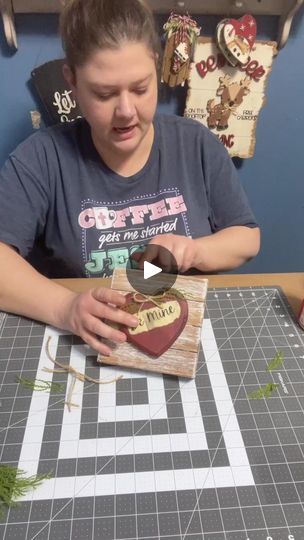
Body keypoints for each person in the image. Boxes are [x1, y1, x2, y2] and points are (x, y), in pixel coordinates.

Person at [0, 0, 260, 356]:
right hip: (90, 345)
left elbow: (247, 239)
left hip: (179, 337)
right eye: (104, 94)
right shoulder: (41, 159)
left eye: (140, 89)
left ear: (156, 64)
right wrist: (65, 308)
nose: (126, 112)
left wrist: (196, 249)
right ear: (72, 81)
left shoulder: (196, 144)